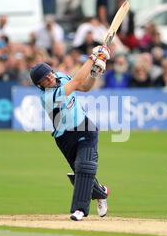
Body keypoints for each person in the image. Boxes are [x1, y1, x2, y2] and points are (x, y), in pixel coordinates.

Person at [29, 45, 111, 221]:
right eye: (44, 78)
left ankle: (79, 210)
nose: (49, 77)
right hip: (64, 137)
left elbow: (84, 87)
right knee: (83, 173)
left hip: (85, 127)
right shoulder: (48, 97)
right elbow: (75, 83)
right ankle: (102, 192)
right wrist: (92, 57)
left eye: (49, 73)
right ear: (39, 85)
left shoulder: (60, 75)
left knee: (84, 167)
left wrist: (95, 73)